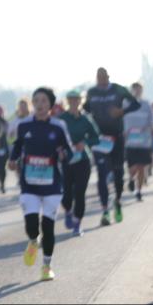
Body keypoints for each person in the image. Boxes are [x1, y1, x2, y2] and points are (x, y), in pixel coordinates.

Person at [8, 88, 72, 281]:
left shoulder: (58, 126)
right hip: (30, 184)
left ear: (50, 104)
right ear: (33, 104)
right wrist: (12, 160)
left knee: (49, 226)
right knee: (31, 225)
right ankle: (33, 241)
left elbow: (68, 152)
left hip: (52, 184)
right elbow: (17, 146)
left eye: (44, 100)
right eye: (36, 100)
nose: (40, 104)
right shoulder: (23, 125)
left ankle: (46, 265)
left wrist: (63, 155)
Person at [84, 67, 140, 226]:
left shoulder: (119, 89)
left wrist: (122, 111)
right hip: (100, 138)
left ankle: (117, 201)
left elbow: (136, 104)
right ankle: (105, 211)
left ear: (108, 76)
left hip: (117, 137)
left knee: (118, 173)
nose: (101, 78)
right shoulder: (92, 92)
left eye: (103, 76)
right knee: (101, 174)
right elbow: (86, 108)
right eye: (98, 76)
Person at [58, 90, 101, 237]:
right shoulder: (62, 119)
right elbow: (55, 137)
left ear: (80, 101)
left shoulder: (86, 119)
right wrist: (60, 149)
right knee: (67, 194)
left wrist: (85, 142)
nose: (74, 102)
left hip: (83, 160)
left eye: (76, 99)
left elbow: (96, 137)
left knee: (80, 192)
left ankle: (77, 224)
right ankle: (68, 211)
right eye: (71, 99)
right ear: (67, 101)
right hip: (67, 160)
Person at [122, 82, 153, 201]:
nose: (137, 92)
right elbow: (120, 120)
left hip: (144, 142)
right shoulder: (125, 104)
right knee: (132, 167)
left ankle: (138, 191)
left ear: (142, 91)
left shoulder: (146, 104)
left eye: (139, 90)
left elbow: (152, 122)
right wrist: (124, 132)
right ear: (131, 91)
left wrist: (147, 128)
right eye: (135, 89)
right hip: (130, 142)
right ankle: (130, 179)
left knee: (141, 167)